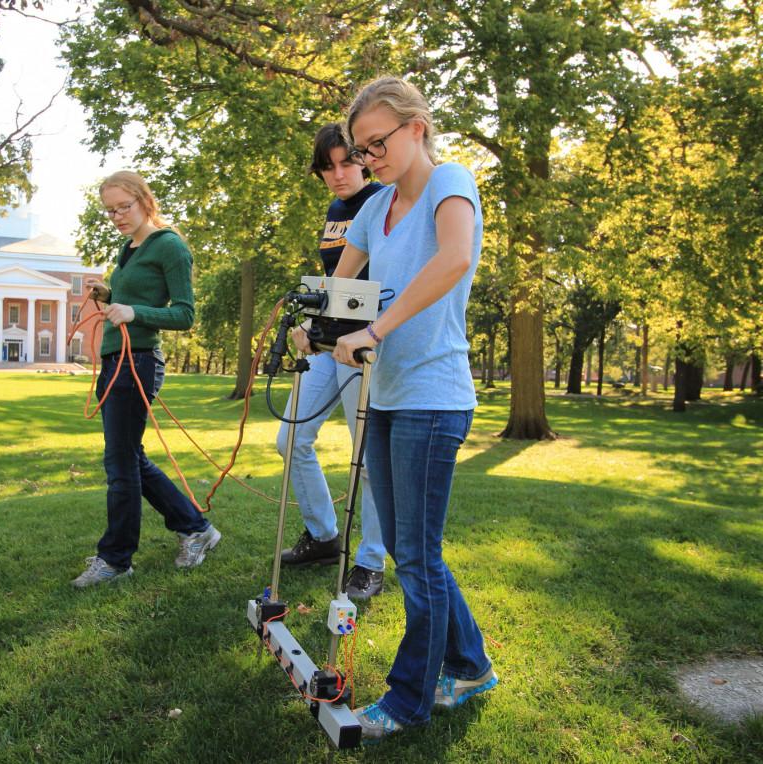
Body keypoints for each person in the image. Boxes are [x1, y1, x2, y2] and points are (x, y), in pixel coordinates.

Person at [328, 77, 497, 738]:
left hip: (433, 395)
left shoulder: (451, 181)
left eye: (378, 142)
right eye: (362, 150)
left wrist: (375, 328)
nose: (370, 158)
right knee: (408, 548)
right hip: (387, 395)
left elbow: (454, 259)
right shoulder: (375, 208)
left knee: (418, 558)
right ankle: (472, 664)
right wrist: (314, 321)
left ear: (417, 126)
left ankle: (407, 700)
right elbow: (342, 282)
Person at [72, 170, 220, 588]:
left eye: (124, 206)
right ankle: (195, 528)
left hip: (137, 364)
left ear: (143, 200)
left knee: (120, 465)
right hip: (114, 360)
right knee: (130, 459)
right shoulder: (129, 248)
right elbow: (130, 300)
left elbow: (185, 313)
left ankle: (116, 559)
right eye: (110, 210)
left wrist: (135, 312)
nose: (117, 216)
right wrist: (110, 296)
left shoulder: (169, 246)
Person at [277, 123, 387, 600]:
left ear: (364, 159)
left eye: (347, 162)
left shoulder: (383, 202)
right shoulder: (335, 210)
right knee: (291, 437)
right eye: (328, 167)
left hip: (366, 349)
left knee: (367, 459)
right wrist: (311, 325)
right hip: (328, 346)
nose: (338, 175)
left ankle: (370, 562)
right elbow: (335, 284)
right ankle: (324, 538)